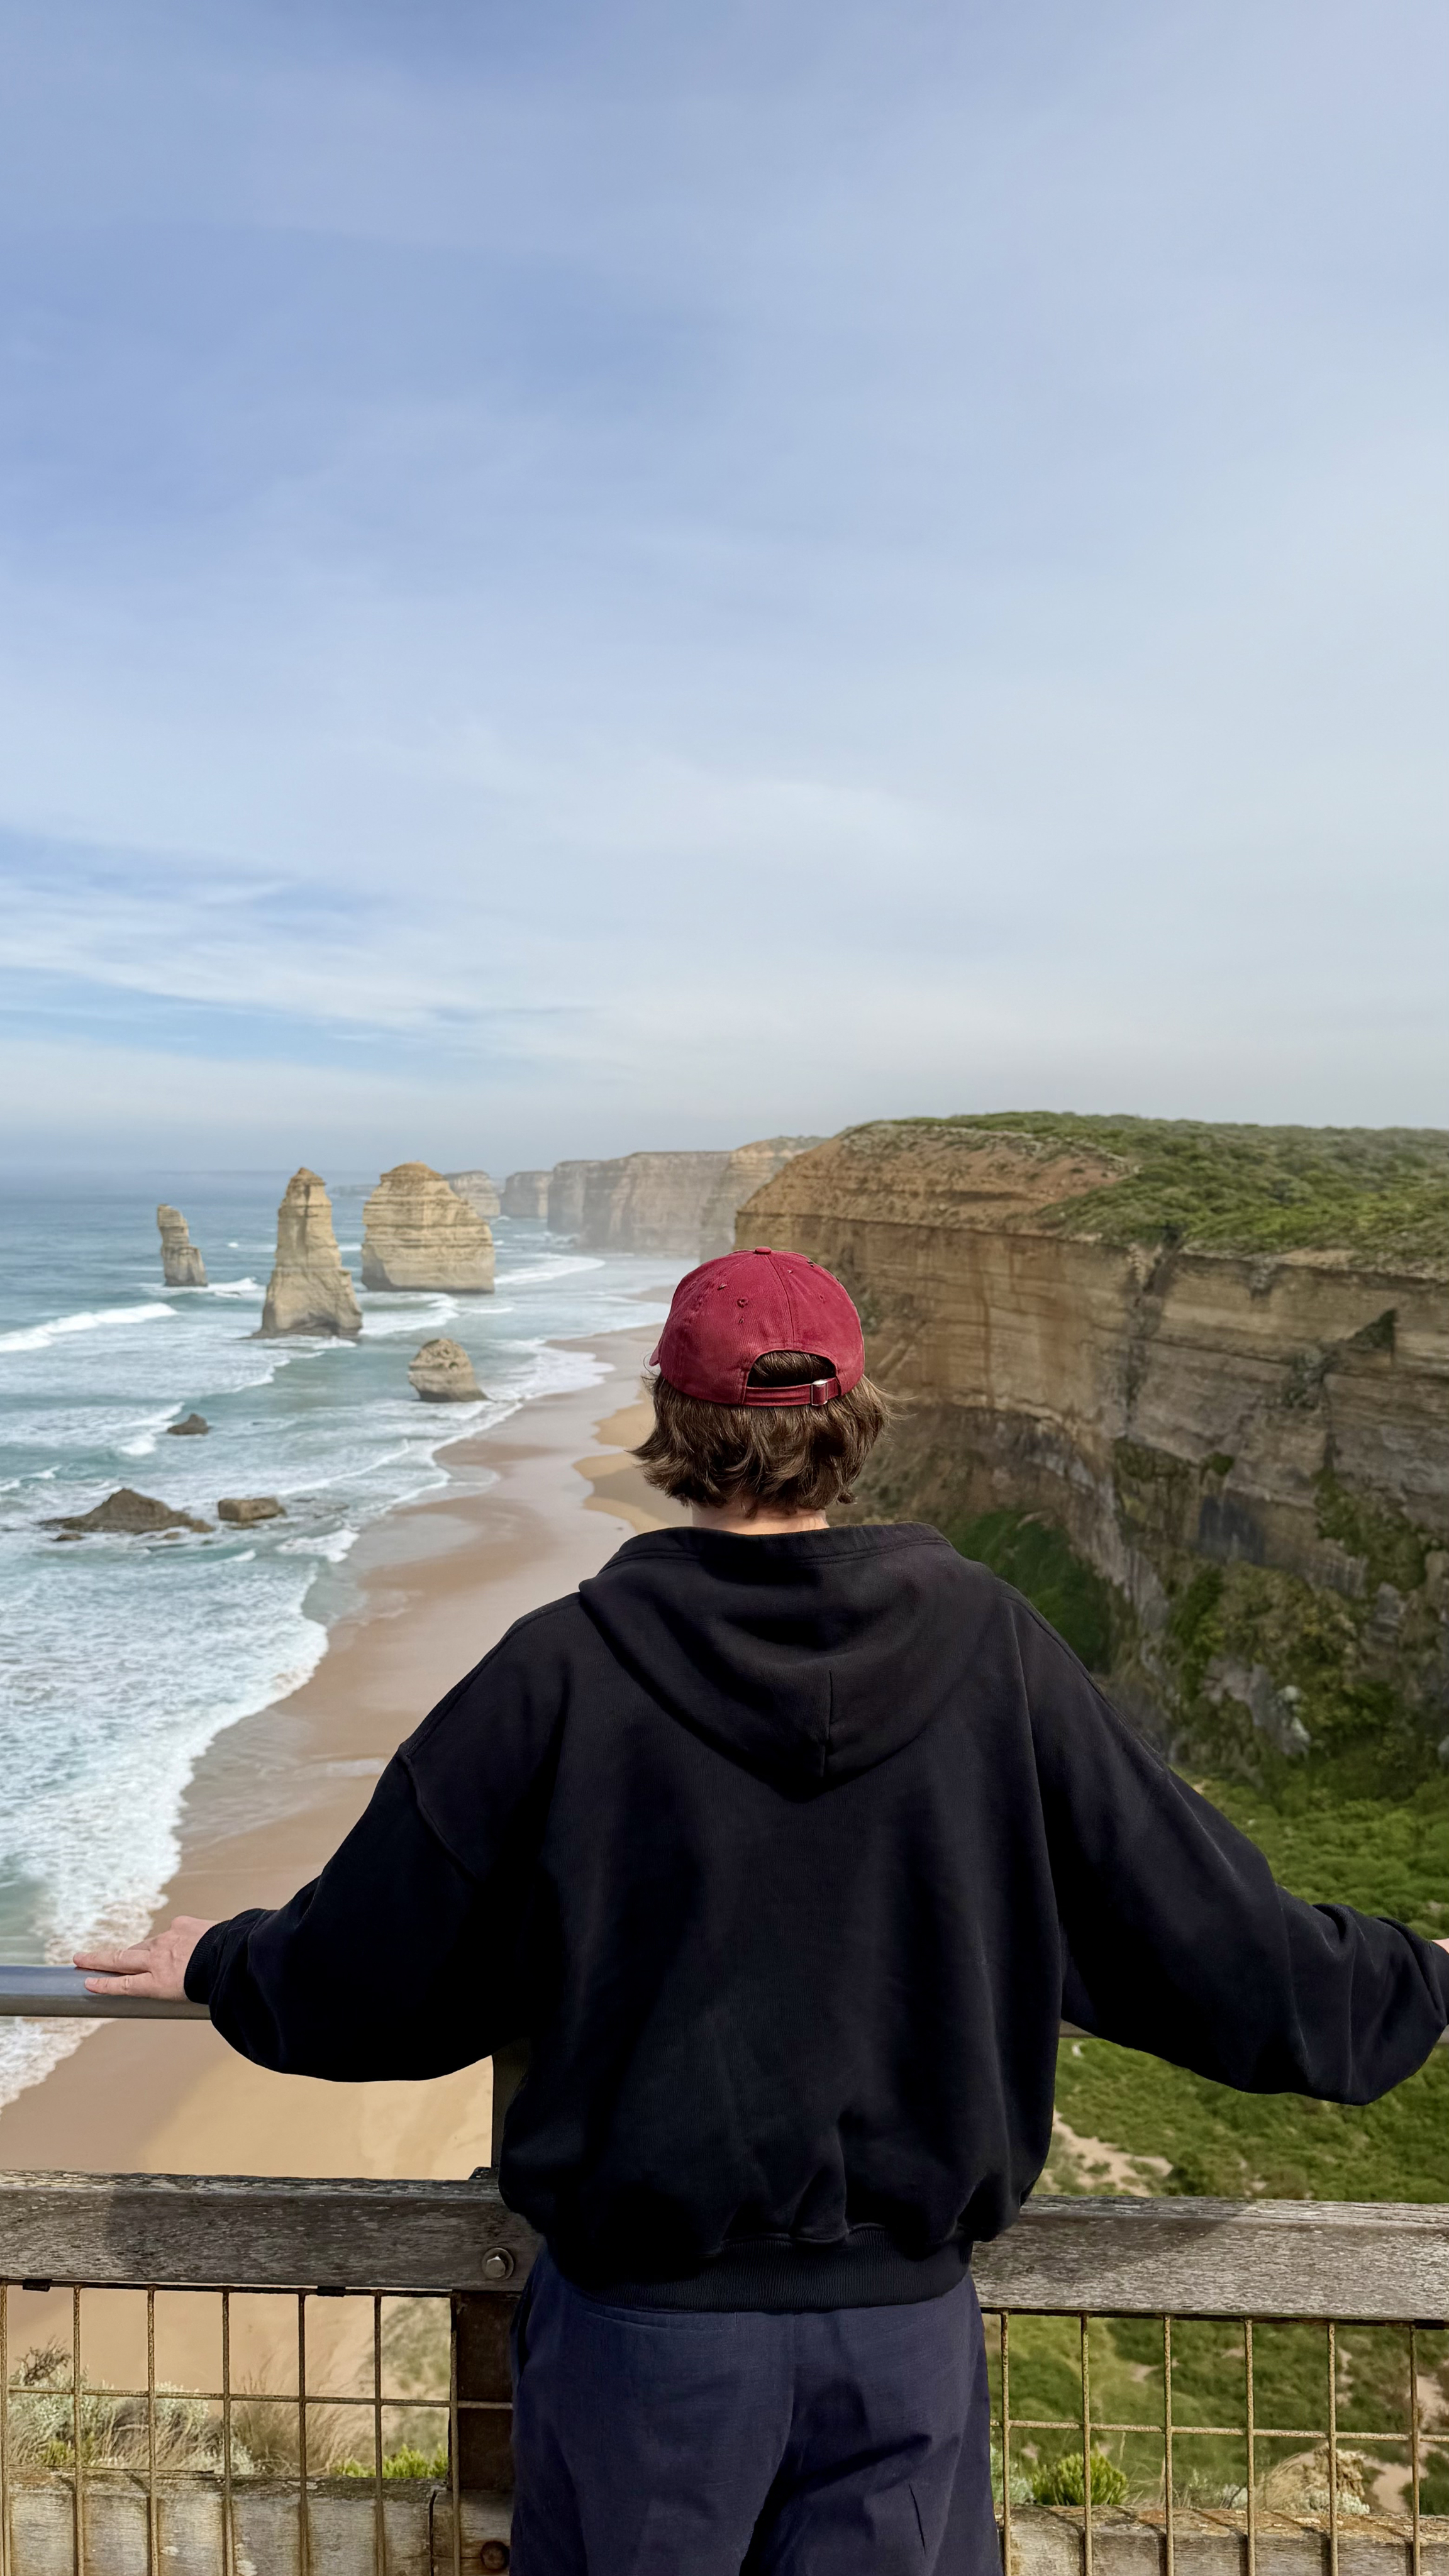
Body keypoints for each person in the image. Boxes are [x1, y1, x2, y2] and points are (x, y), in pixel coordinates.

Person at [77, 1246, 1449, 2575]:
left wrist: (224, 1958)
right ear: (851, 1420)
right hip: (901, 2339)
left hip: (644, 2352)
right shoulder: (998, 1650)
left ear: (674, 1421)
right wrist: (1414, 1977)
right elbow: (1211, 1940)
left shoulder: (557, 1671)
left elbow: (372, 1974)